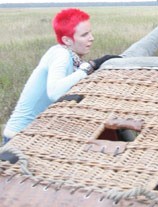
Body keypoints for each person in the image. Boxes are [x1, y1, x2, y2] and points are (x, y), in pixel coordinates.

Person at [3, 8, 119, 142]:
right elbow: (54, 92)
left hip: (34, 134)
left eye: (90, 32)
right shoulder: (61, 55)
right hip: (19, 137)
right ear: (67, 40)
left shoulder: (71, 57)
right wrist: (90, 66)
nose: (91, 38)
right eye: (84, 35)